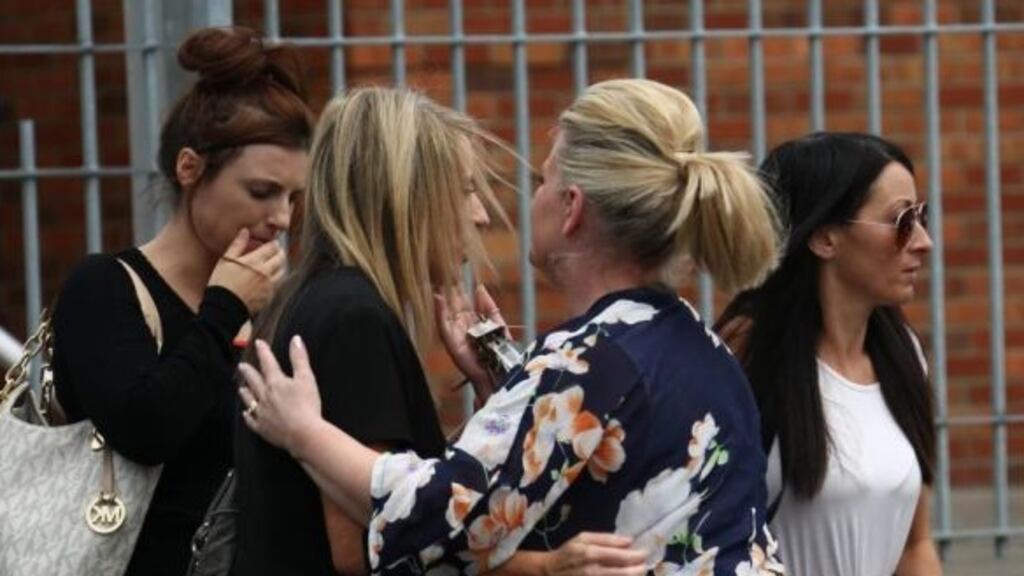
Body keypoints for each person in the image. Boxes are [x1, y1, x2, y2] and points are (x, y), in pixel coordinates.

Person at [238, 78, 786, 575]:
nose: (486, 213)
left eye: (543, 180)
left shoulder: (590, 358)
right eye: (466, 191)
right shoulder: (702, 345)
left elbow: (445, 515)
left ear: (572, 208)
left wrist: (304, 432)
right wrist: (507, 384)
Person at [51, 26, 313, 576]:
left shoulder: (268, 306)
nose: (282, 219)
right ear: (189, 168)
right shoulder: (105, 288)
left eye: (293, 198)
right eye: (261, 192)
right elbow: (146, 430)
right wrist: (223, 308)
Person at [715, 132, 942, 575]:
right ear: (824, 238)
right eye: (901, 221)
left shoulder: (903, 355)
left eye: (921, 216)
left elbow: (915, 545)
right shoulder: (743, 354)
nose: (922, 241)